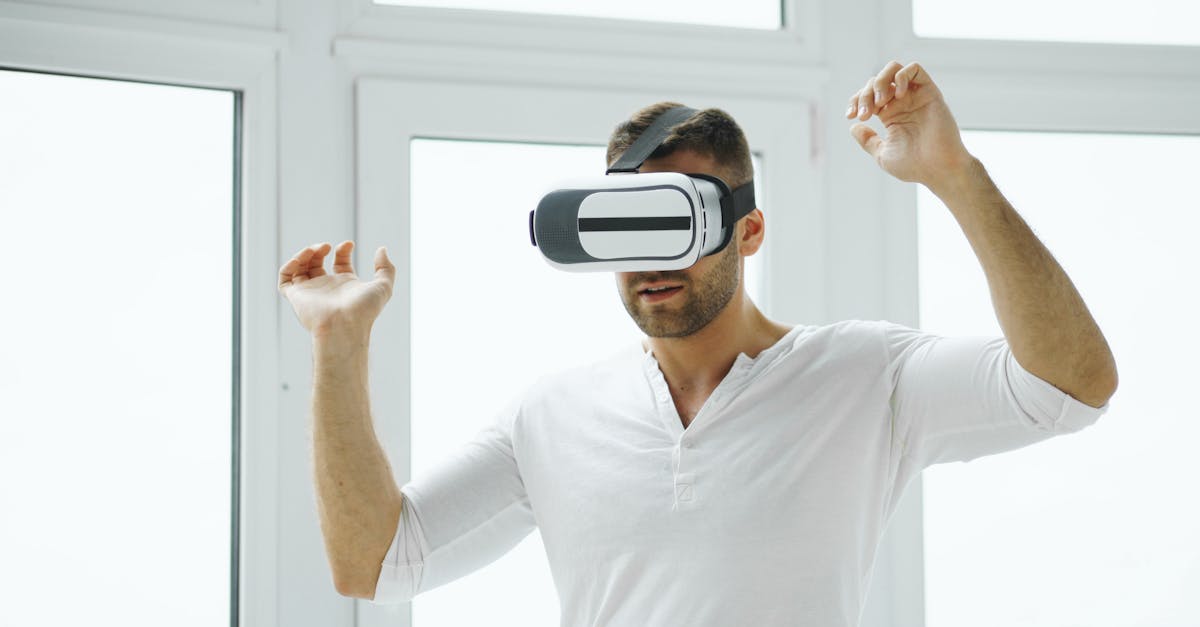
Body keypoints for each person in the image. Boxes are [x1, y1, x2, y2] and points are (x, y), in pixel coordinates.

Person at [278, 61, 1117, 627]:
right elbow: (373, 563)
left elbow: (1072, 383)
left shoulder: (869, 377)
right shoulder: (551, 414)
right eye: (624, 228)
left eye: (674, 222)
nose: (650, 259)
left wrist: (952, 171)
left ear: (747, 231)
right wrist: (338, 344)